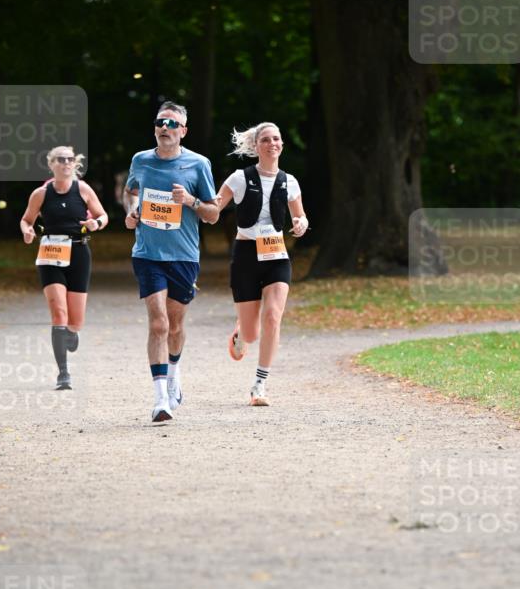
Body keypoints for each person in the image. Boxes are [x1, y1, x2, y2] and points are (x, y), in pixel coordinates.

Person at [123, 101, 218, 423]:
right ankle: (160, 398)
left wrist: (190, 201)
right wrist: (132, 210)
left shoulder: (198, 164)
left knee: (176, 326)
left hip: (184, 255)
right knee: (159, 323)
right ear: (155, 128)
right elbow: (131, 191)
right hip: (148, 254)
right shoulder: (141, 160)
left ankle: (175, 373)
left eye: (172, 123)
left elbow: (214, 213)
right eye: (161, 122)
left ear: (183, 131)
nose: (165, 127)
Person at [216, 121, 308, 406]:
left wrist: (301, 223)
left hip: (276, 256)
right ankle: (242, 332)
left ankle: (259, 384)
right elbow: (213, 207)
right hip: (245, 254)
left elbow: (301, 216)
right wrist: (194, 204)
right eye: (266, 139)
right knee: (252, 333)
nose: (272, 144)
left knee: (273, 317)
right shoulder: (239, 179)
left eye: (277, 139)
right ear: (256, 147)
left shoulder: (289, 181)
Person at [20, 145, 108, 390]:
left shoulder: (83, 189)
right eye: (61, 160)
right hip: (50, 253)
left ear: (74, 163)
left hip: (79, 252)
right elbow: (27, 219)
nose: (66, 163)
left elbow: (103, 216)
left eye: (70, 159)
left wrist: (95, 223)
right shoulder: (41, 193)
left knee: (75, 321)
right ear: (51, 164)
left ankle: (71, 332)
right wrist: (27, 231)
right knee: (58, 311)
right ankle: (63, 374)